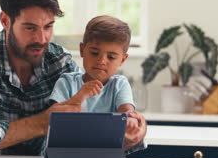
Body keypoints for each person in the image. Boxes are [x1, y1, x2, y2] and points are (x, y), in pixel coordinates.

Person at [0, 0, 147, 155]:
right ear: (5, 20)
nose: (41, 38)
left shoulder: (60, 62)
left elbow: (84, 131)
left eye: (48, 26)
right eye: (30, 28)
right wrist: (43, 122)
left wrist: (132, 134)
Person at [49, 15, 146, 151]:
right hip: (68, 154)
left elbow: (127, 113)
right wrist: (80, 97)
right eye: (94, 53)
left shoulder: (119, 84)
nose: (101, 60)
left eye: (111, 57)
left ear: (122, 60)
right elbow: (53, 118)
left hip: (108, 156)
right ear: (82, 50)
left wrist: (130, 121)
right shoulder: (66, 82)